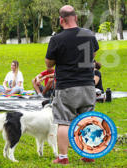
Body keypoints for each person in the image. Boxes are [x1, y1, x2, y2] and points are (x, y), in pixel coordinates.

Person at [45, 5, 99, 164]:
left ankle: (63, 157)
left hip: (67, 86)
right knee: (87, 119)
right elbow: (93, 54)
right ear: (75, 17)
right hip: (88, 85)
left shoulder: (56, 39)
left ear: (61, 20)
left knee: (64, 121)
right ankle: (88, 154)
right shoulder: (89, 35)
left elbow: (49, 64)